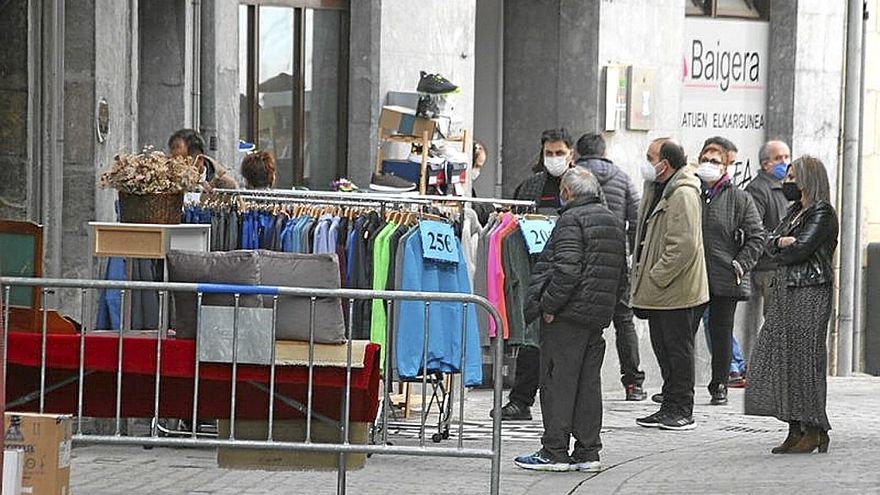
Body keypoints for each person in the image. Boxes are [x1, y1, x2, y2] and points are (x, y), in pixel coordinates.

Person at [514, 167, 627, 472]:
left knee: (557, 382)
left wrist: (549, 305)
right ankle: (588, 450)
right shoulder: (613, 220)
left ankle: (554, 450)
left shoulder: (571, 220)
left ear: (566, 192)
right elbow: (621, 277)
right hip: (596, 317)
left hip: (567, 317)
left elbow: (567, 270)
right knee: (588, 385)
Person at [744, 155, 837, 454]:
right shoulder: (795, 211)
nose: (788, 182)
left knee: (805, 361)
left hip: (809, 291)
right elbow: (771, 243)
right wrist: (781, 242)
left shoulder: (821, 212)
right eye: (788, 176)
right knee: (783, 359)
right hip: (785, 291)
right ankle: (795, 428)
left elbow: (800, 249)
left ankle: (813, 428)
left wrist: (785, 243)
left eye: (794, 176)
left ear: (808, 179)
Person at [631, 139, 709, 431]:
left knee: (678, 351)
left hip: (678, 291)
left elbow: (683, 245)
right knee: (664, 350)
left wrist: (655, 275)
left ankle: (681, 409)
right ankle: (668, 406)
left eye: (650, 157)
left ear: (665, 163)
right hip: (661, 292)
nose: (646, 162)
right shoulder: (657, 188)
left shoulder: (683, 194)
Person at [497, 128, 574, 422]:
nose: (554, 159)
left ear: (571, 154)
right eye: (549, 153)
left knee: (562, 345)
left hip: (567, 273)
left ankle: (560, 405)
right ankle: (520, 400)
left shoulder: (582, 185)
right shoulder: (530, 187)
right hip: (533, 271)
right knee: (530, 340)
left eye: (559, 153)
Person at [575, 132, 647, 401]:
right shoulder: (623, 178)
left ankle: (580, 378)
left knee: (581, 318)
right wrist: (629, 251)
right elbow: (637, 219)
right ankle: (634, 383)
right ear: (604, 152)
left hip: (582, 256)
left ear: (578, 152)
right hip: (616, 258)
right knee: (624, 319)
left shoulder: (574, 176)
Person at [694, 142, 765, 406]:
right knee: (681, 333)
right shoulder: (690, 192)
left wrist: (739, 265)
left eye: (715, 161)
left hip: (725, 277)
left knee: (721, 332)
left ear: (725, 166)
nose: (708, 164)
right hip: (691, 277)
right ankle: (677, 387)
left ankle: (720, 384)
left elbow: (757, 237)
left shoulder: (739, 198)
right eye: (705, 159)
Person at [742, 140, 792, 358]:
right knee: (773, 320)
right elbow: (754, 228)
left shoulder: (787, 188)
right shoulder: (758, 189)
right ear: (765, 164)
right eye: (778, 158)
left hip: (781, 264)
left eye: (787, 157)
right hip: (766, 266)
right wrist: (777, 244)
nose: (784, 162)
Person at [168, 128, 238, 191]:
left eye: (181, 164)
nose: (175, 170)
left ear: (199, 160)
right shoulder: (167, 181)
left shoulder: (225, 186)